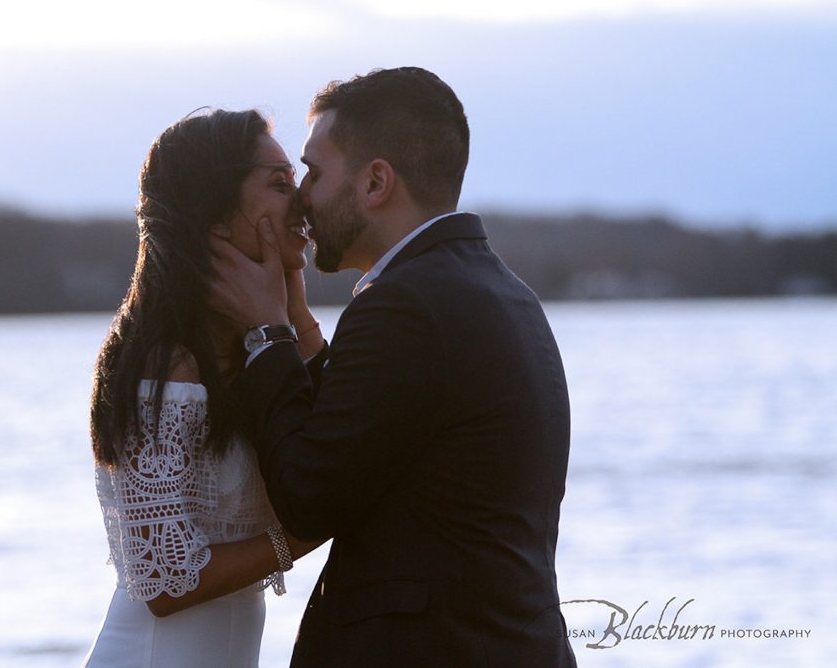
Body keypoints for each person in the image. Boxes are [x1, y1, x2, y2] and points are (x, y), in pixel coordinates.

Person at [209, 67, 578, 666]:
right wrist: (298, 325)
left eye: (316, 172)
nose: (302, 194)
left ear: (376, 181)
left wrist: (264, 333)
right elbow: (366, 436)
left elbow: (307, 494)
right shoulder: (503, 291)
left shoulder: (403, 305)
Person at [84, 109, 324, 667]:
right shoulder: (166, 364)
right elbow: (164, 580)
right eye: (280, 183)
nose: (304, 200)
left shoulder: (253, 352)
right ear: (215, 216)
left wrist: (292, 312)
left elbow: (338, 440)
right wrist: (305, 535)